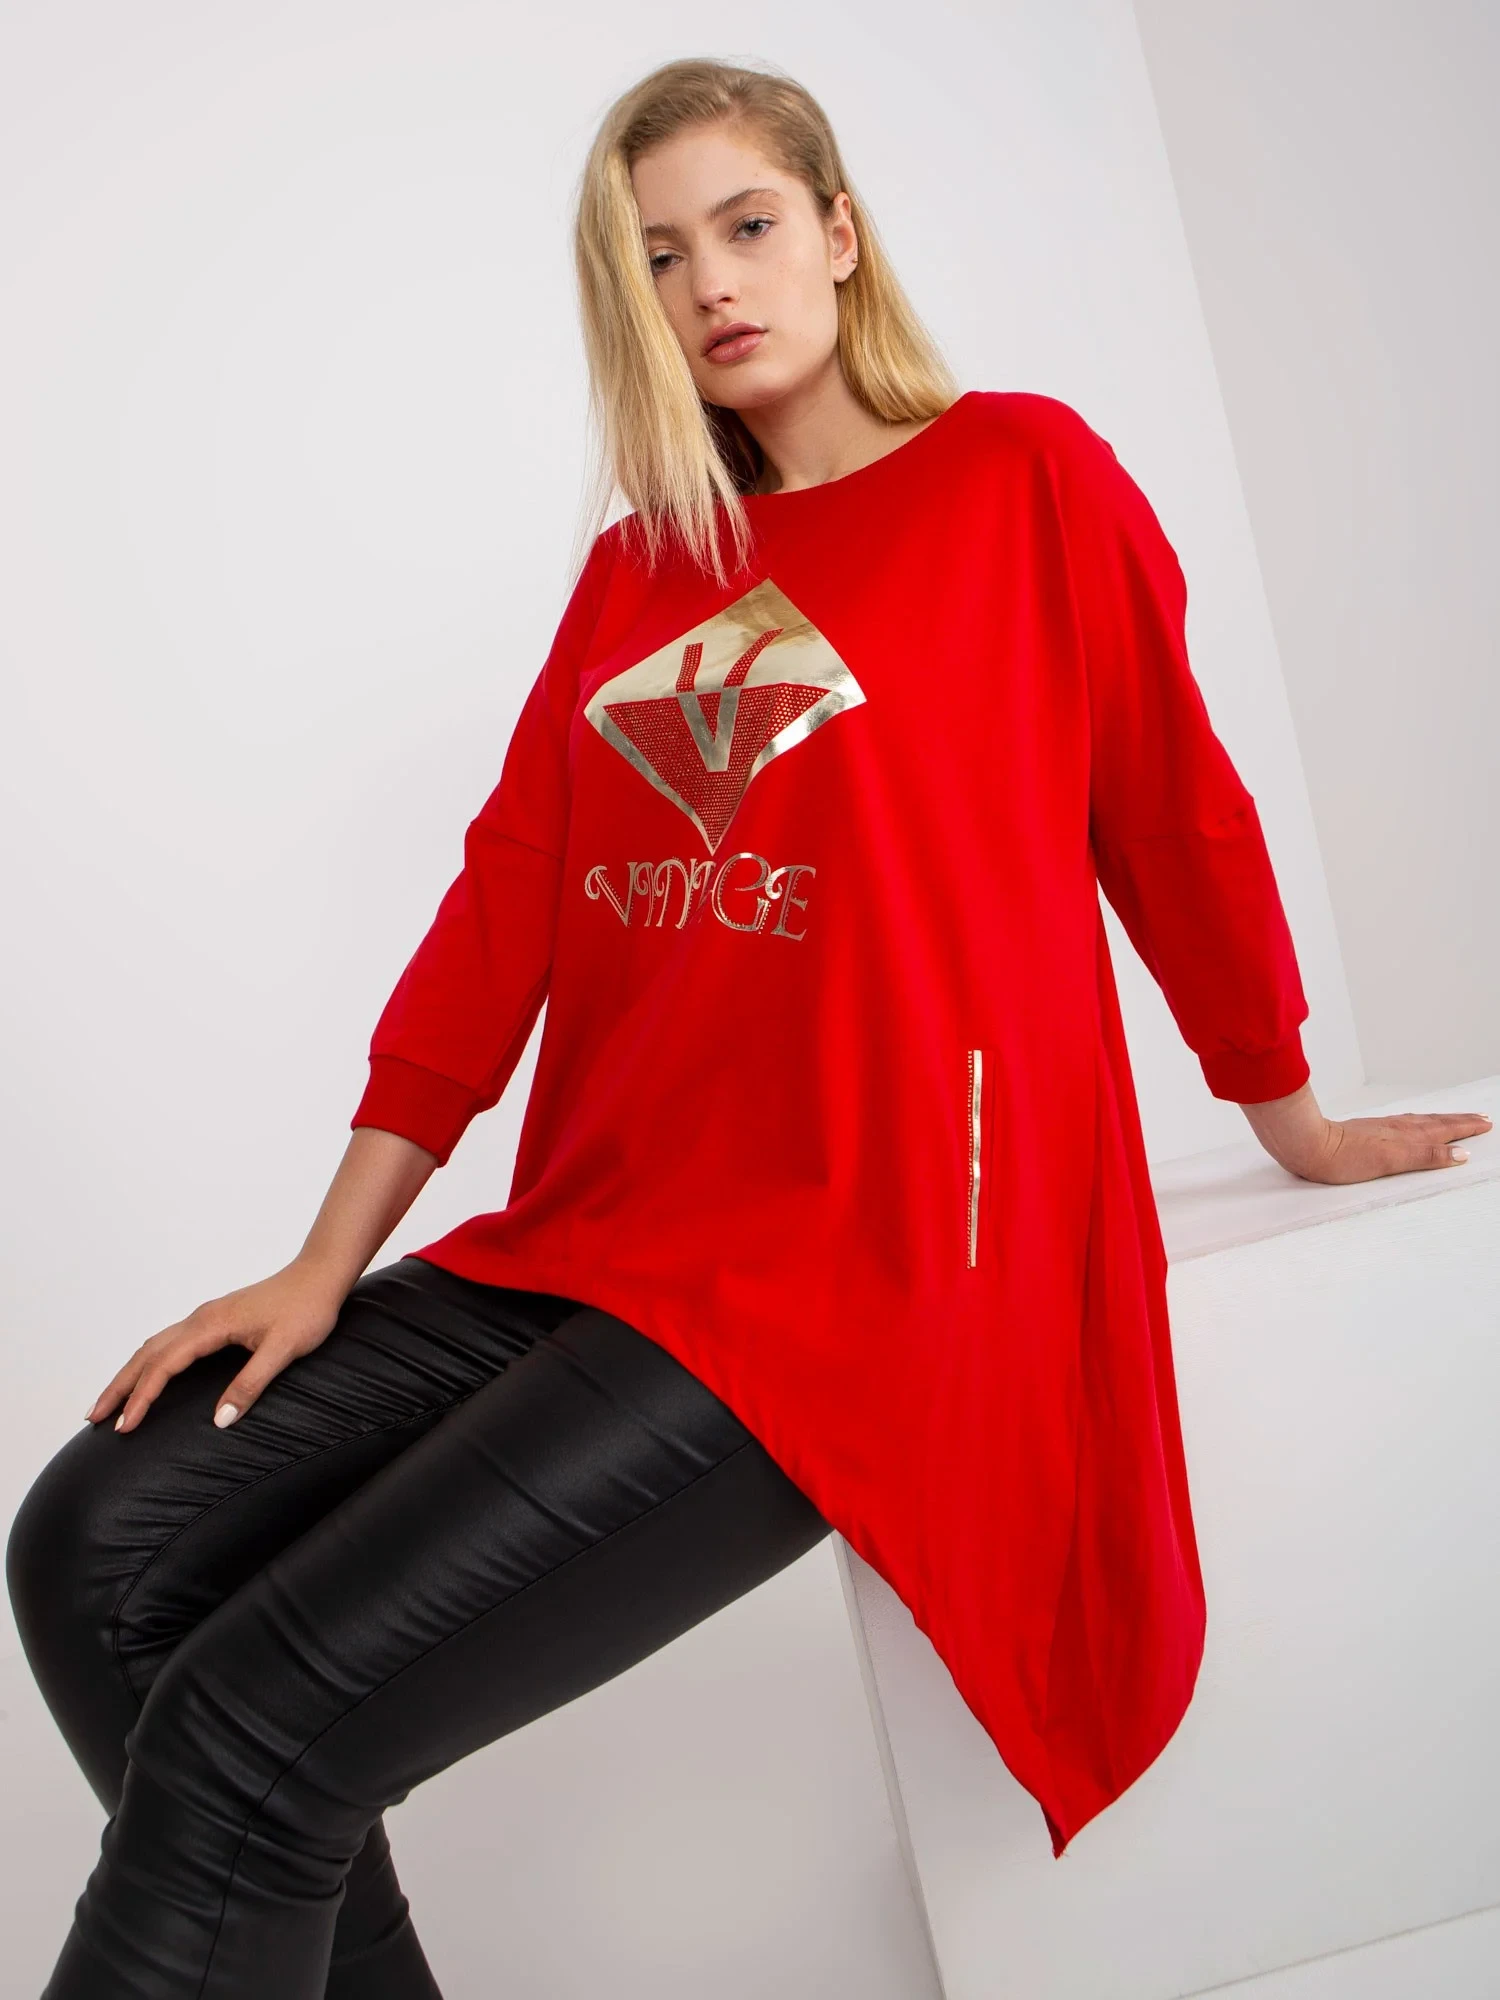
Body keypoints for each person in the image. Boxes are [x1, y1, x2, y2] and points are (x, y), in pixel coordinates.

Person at [7, 52, 1490, 2000]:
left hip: (858, 1264)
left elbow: (1177, 817)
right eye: (657, 256)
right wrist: (320, 1263)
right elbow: (502, 911)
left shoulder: (1022, 479)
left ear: (840, 231)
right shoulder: (647, 569)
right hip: (606, 1236)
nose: (709, 281)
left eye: (748, 223)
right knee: (93, 1550)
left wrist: (1288, 1111)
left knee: (251, 1734)